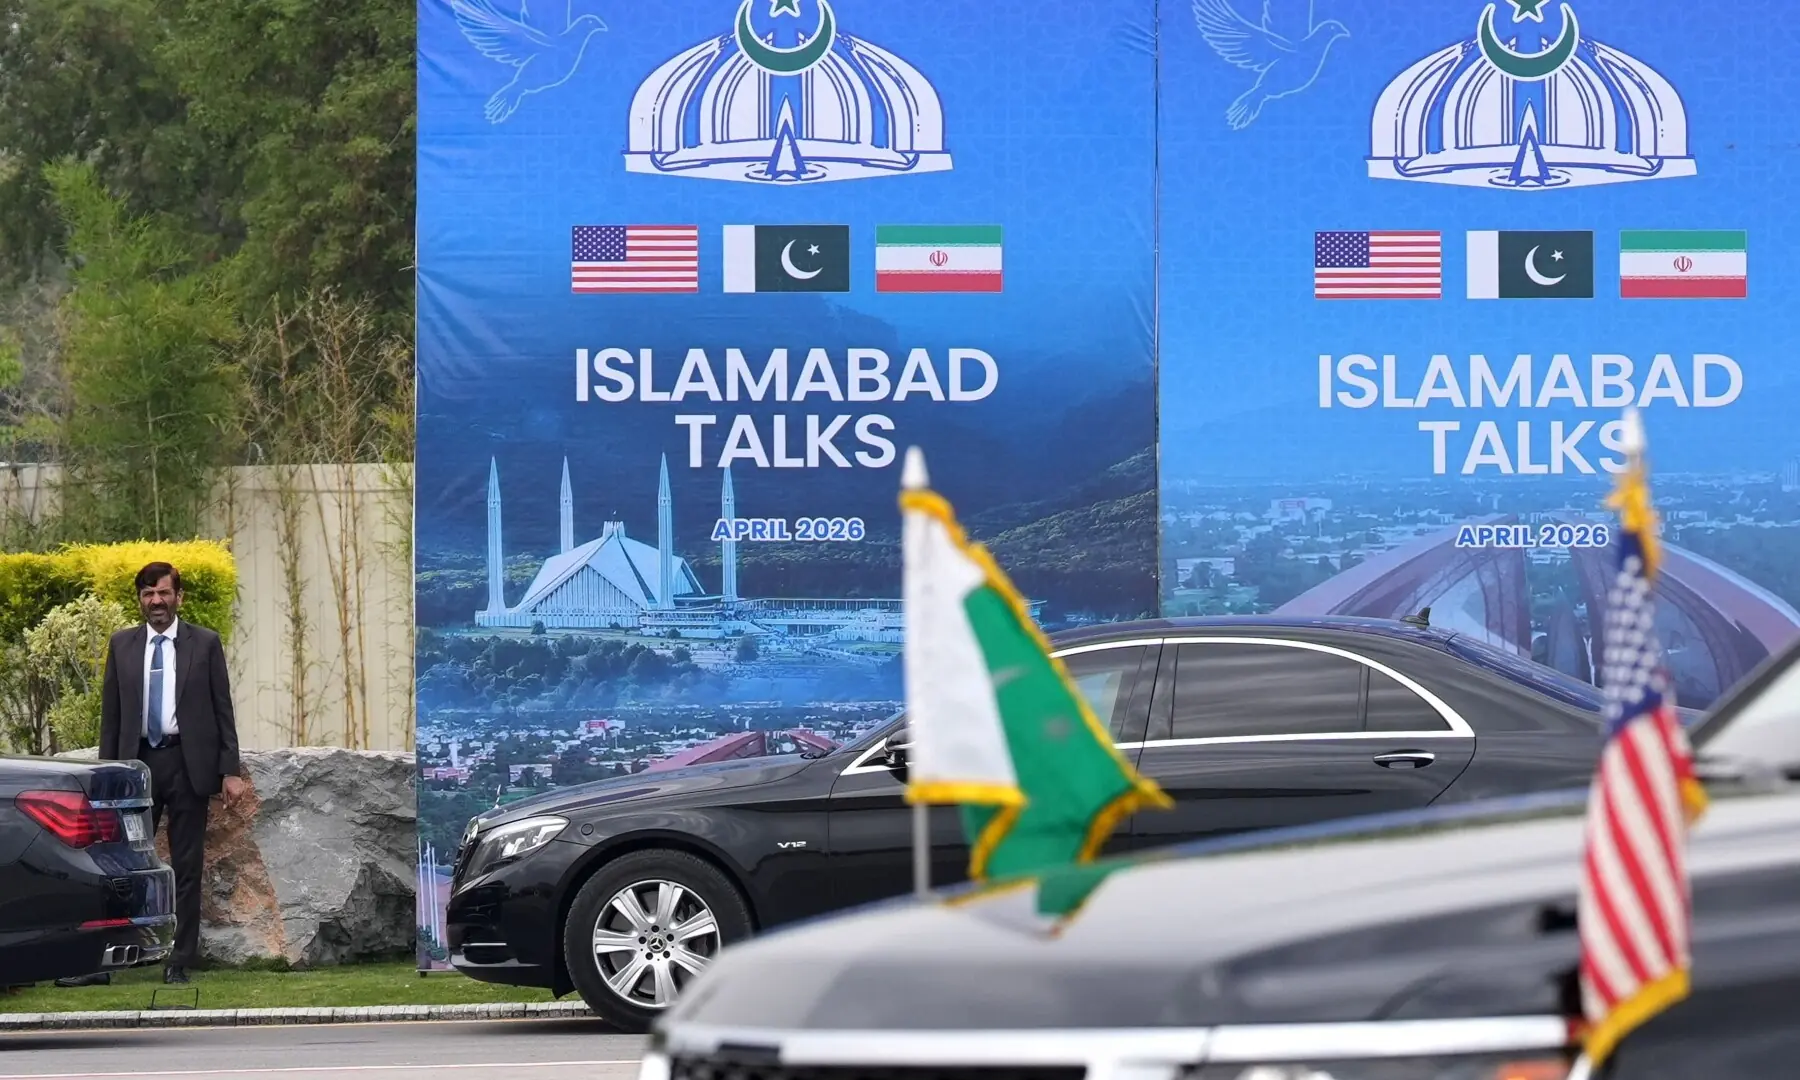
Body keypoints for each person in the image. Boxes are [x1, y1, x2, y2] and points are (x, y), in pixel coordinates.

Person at [83, 561, 248, 985]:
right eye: (147, 594)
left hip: (188, 764)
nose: (156, 601)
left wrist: (230, 770)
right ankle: (109, 960)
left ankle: (181, 959)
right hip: (136, 767)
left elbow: (222, 709)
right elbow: (111, 717)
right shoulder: (122, 645)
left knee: (187, 866)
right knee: (119, 867)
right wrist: (106, 774)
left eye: (163, 593)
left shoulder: (204, 644)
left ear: (179, 596)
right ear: (140, 599)